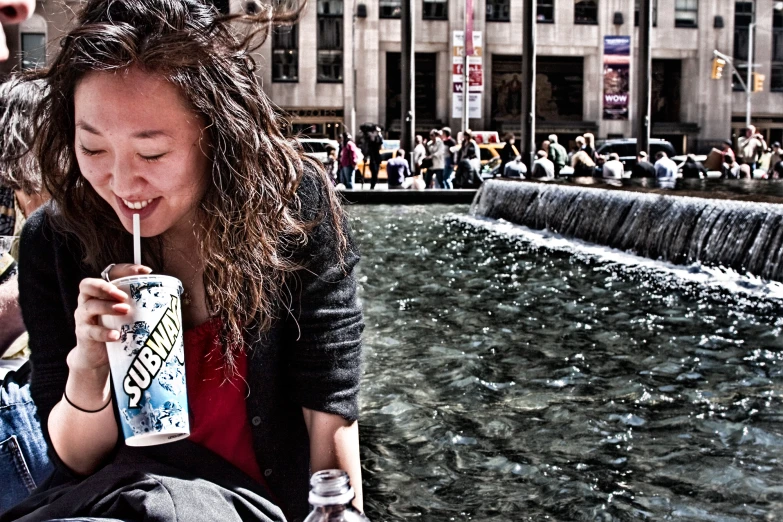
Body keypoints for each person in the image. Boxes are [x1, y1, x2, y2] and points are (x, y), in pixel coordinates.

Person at [4, 0, 365, 521]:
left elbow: (329, 407)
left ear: (217, 136)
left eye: (152, 154)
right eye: (93, 149)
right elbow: (74, 459)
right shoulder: (55, 240)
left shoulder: (295, 209)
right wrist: (89, 363)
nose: (123, 185)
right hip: (125, 504)